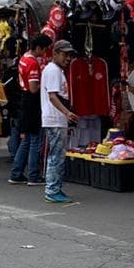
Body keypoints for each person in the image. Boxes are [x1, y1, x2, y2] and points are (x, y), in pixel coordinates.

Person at [9, 35, 51, 185]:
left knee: (27, 139)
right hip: (32, 101)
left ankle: (16, 172)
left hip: (25, 100)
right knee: (35, 140)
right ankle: (33, 175)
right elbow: (34, 88)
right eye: (45, 49)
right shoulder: (32, 63)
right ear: (38, 47)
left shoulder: (23, 58)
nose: (45, 52)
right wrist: (46, 85)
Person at [41, 39, 79, 205]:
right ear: (55, 53)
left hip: (57, 118)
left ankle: (54, 187)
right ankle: (52, 190)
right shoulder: (53, 70)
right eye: (65, 54)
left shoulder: (56, 70)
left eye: (69, 55)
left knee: (57, 154)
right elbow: (52, 96)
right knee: (56, 155)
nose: (68, 58)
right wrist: (67, 113)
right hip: (55, 119)